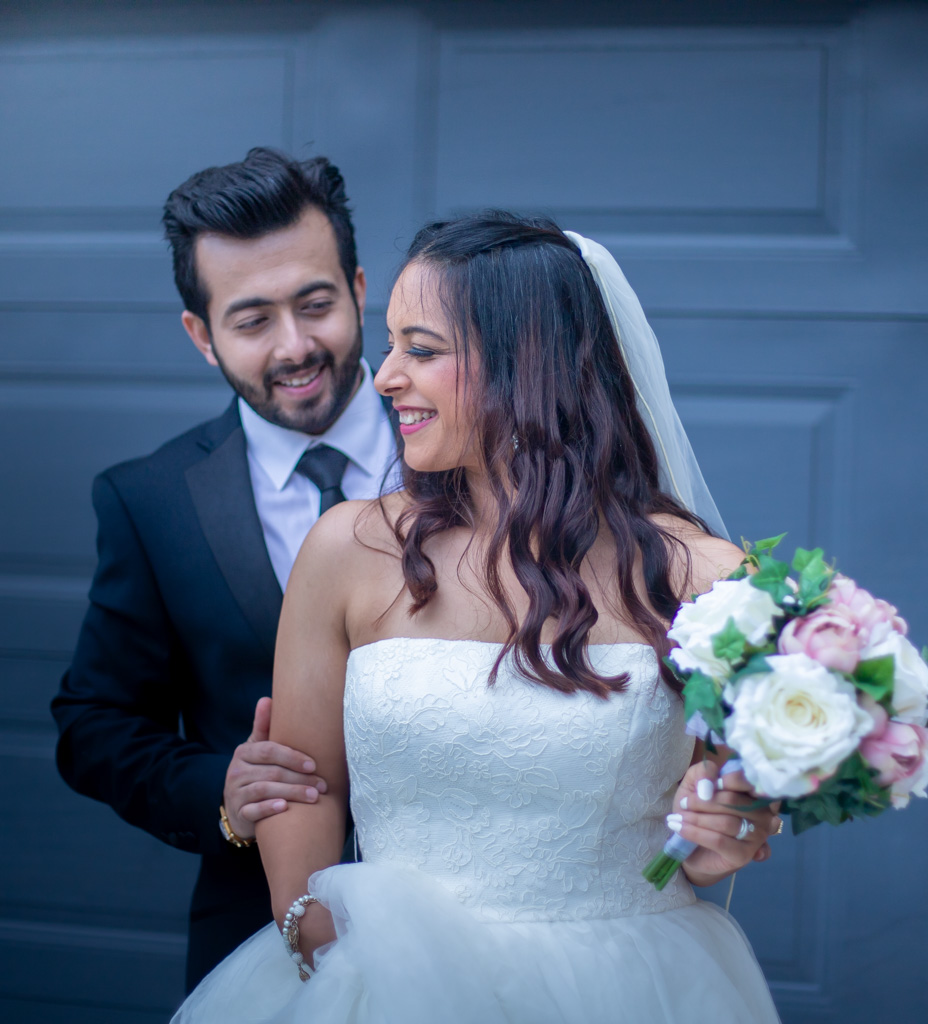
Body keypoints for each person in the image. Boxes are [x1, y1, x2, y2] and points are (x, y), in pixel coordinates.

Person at [173, 212, 781, 1022]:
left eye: (421, 350)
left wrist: (724, 837)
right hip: (376, 986)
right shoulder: (348, 550)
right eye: (390, 345)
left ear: (530, 364)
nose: (385, 376)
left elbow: (714, 837)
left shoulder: (708, 579)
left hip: (625, 987)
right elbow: (301, 778)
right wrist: (310, 932)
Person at [50, 148, 397, 991]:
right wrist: (221, 791)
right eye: (251, 321)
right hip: (256, 940)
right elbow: (92, 723)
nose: (295, 346)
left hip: (475, 922)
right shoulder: (148, 499)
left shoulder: (474, 457)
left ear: (357, 288)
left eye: (316, 304)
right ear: (200, 336)